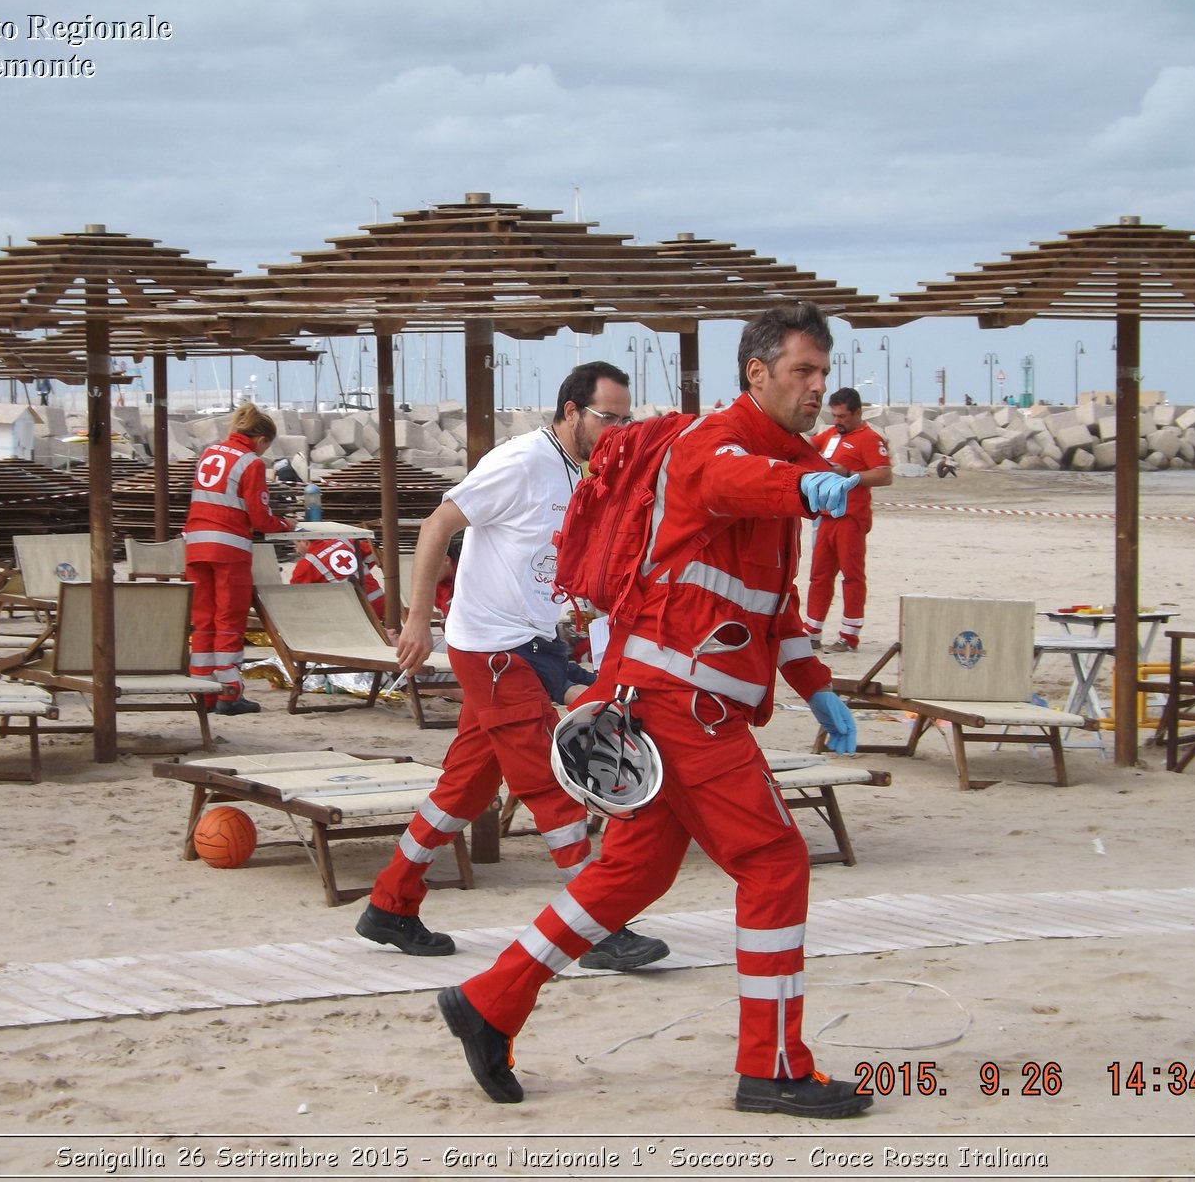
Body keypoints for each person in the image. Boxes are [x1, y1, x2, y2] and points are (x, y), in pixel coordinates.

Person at [436, 301, 869, 1120]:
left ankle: (492, 999)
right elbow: (726, 482)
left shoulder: (777, 453)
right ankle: (773, 1066)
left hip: (655, 698)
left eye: (823, 372)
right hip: (682, 705)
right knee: (774, 863)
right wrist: (802, 488)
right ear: (758, 372)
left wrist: (815, 684)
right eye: (803, 371)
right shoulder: (721, 447)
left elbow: (764, 605)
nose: (818, 387)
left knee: (633, 870)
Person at [356, 362, 670, 974]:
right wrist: (419, 620)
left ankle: (390, 905)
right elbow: (437, 526)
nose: (618, 430)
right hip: (491, 648)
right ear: (572, 411)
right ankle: (597, 926)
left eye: (627, 420)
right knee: (552, 784)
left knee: (465, 787)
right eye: (609, 418)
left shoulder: (578, 471)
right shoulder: (522, 461)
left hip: (529, 644)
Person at [183, 402, 293, 715]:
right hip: (228, 549)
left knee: (202, 619)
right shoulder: (250, 463)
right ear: (261, 440)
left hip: (195, 545)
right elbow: (259, 517)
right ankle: (230, 694)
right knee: (229, 620)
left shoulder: (209, 453)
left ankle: (202, 690)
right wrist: (285, 524)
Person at [802, 386, 893, 653]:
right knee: (819, 576)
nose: (838, 421)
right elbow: (806, 448)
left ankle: (849, 635)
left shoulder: (869, 438)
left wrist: (849, 475)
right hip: (826, 517)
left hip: (851, 518)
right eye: (834, 416)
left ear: (856, 413)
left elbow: (885, 475)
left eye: (842, 416)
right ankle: (812, 631)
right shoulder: (829, 435)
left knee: (852, 576)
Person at [290, 536, 387, 621]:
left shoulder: (306, 565)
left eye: (296, 546)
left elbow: (295, 596)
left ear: (304, 541)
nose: (297, 551)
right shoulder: (346, 542)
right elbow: (374, 555)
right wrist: (357, 570)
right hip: (381, 604)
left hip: (353, 615)